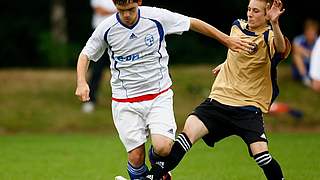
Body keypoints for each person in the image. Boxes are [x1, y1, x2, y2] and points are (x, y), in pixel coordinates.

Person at [75, 0, 253, 179]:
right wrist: (82, 82)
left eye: (131, 9)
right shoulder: (106, 27)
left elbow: (192, 23)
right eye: (122, 11)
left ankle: (159, 168)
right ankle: (160, 175)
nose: (127, 15)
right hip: (125, 101)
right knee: (136, 157)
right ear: (115, 4)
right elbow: (85, 54)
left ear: (139, 2)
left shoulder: (156, 17)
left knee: (163, 147)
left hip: (158, 95)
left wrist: (226, 40)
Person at [146, 0, 291, 179]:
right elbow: (237, 54)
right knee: (187, 134)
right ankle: (150, 177)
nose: (250, 14)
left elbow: (281, 49)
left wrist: (275, 23)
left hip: (247, 108)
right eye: (249, 9)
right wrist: (227, 63)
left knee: (262, 156)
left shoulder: (269, 36)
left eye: (256, 11)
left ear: (267, 14)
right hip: (218, 101)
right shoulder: (237, 26)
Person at [82, 0, 117, 113]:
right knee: (97, 69)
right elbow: (100, 10)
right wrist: (121, 10)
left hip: (118, 32)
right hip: (100, 34)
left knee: (121, 66)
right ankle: (90, 100)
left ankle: (125, 98)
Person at [291, 18, 319, 87]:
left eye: (312, 31)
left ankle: (313, 79)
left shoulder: (318, 42)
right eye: (309, 30)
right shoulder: (299, 39)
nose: (310, 33)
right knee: (296, 55)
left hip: (313, 67)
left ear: (316, 32)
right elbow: (295, 48)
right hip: (300, 69)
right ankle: (305, 79)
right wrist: (309, 54)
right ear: (305, 31)